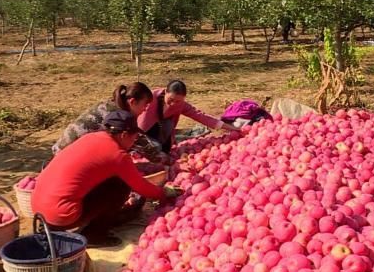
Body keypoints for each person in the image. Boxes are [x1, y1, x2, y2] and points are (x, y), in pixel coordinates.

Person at [32, 110, 181, 245]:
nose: (133, 142)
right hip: (62, 214)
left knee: (105, 180)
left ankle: (53, 226)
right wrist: (165, 193)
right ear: (123, 135)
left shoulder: (92, 137)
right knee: (121, 184)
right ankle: (95, 235)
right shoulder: (117, 155)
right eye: (134, 137)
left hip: (39, 209)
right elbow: (141, 187)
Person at [52, 82, 163, 162]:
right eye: (145, 105)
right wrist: (167, 161)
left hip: (62, 150)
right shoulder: (118, 117)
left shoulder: (110, 105)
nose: (145, 109)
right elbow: (139, 142)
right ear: (133, 102)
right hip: (67, 157)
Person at [138, 79, 239, 153]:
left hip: (160, 130)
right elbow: (140, 125)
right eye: (171, 99)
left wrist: (231, 128)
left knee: (168, 127)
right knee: (153, 149)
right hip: (139, 132)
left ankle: (161, 150)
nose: (173, 104)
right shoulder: (150, 99)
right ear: (165, 92)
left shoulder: (180, 105)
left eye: (178, 101)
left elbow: (200, 116)